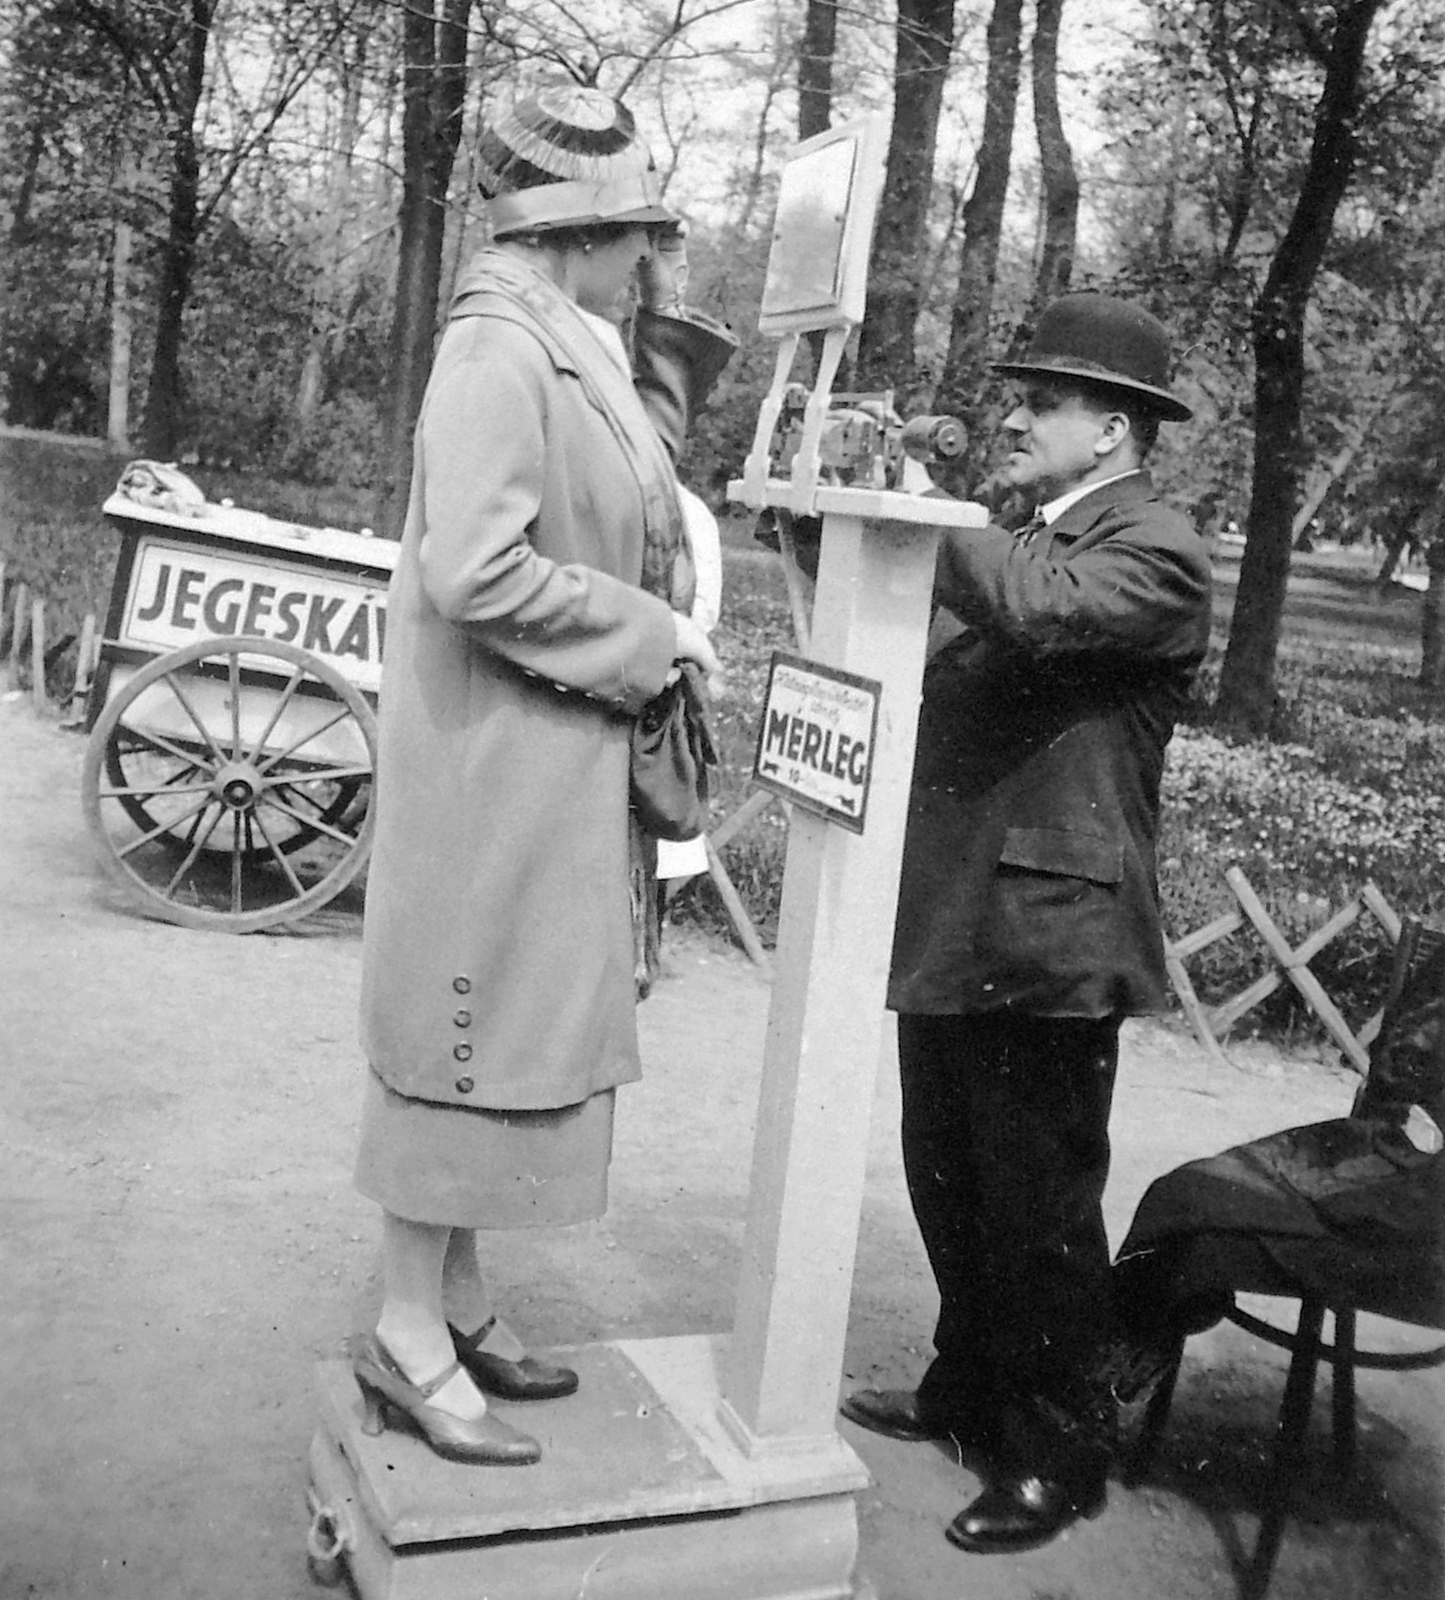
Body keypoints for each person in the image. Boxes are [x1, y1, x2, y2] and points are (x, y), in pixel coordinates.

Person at [350, 82, 734, 1467]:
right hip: (489, 767)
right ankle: (402, 1331)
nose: (646, 257)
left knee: (505, 1031)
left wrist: (677, 347)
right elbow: (475, 567)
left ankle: (450, 1299)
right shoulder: (496, 350)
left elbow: (629, 481)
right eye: (634, 231)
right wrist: (655, 633)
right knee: (455, 1036)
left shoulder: (559, 337)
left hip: (539, 760)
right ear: (574, 229)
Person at [839, 294, 1212, 1551]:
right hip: (960, 918)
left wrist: (915, 502)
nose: (1008, 415)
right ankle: (964, 1390)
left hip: (1052, 936)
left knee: (1038, 1208)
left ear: (1110, 429)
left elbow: (1042, 610)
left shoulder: (1154, 544)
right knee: (946, 1174)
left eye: (1039, 400)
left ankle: (1055, 1454)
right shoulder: (1024, 535)